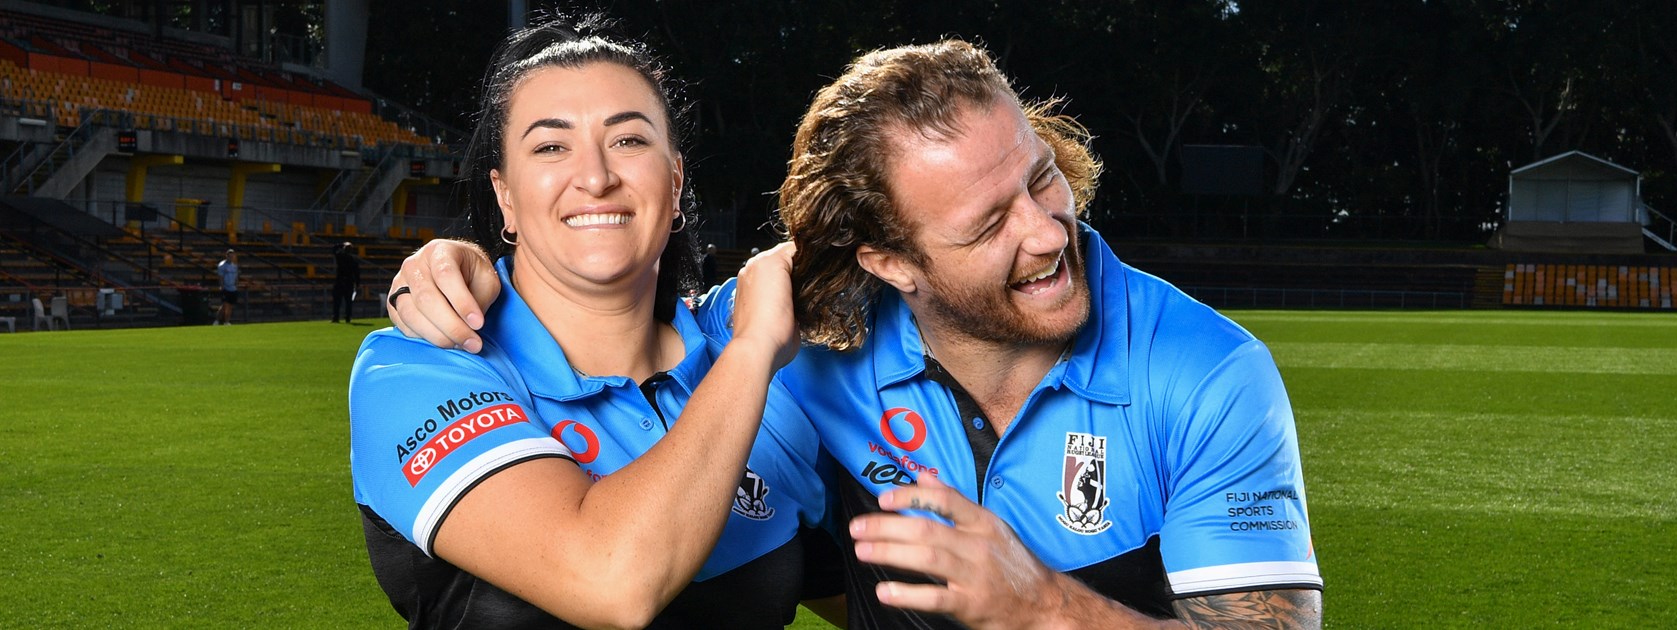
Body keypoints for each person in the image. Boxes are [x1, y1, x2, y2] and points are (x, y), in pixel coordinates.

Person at [388, 39, 1322, 629]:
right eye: (987, 224)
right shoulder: (797, 343)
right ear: (887, 261)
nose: (1047, 233)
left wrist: (1042, 607)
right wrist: (466, 268)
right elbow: (624, 330)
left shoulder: (1207, 373)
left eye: (1040, 179)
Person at [349, 15, 841, 629]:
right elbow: (611, 579)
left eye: (629, 140)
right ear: (505, 196)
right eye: (551, 147)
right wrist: (753, 353)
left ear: (676, 181)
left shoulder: (763, 359)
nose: (596, 177)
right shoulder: (415, 368)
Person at [333, 241, 360, 323]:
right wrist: (357, 283)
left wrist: (341, 244)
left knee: (337, 301)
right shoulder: (353, 259)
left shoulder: (340, 256)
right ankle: (347, 317)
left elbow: (334, 249)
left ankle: (336, 317)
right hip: (349, 282)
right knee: (348, 301)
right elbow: (357, 273)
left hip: (340, 281)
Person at [215, 249, 238, 325]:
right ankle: (218, 321)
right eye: (229, 256)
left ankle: (226, 321)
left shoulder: (234, 266)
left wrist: (236, 285)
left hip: (233, 288)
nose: (231, 258)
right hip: (226, 288)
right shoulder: (222, 265)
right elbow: (220, 277)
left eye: (232, 256)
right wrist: (222, 287)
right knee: (225, 305)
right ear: (226, 256)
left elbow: (236, 276)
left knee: (229, 306)